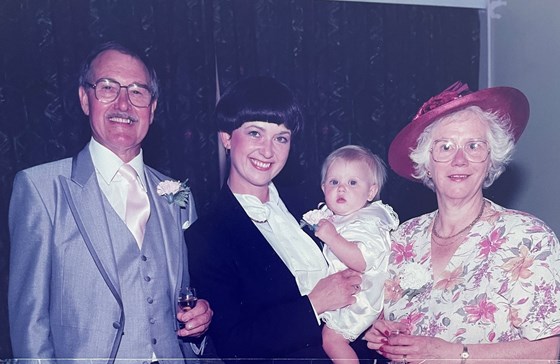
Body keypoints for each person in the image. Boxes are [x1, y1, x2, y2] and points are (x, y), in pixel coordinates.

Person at [8, 41, 212, 363]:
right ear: (84, 99)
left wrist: (198, 323)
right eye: (107, 88)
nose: (123, 104)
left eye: (137, 92)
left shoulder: (177, 196)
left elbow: (183, 300)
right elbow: (29, 324)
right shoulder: (41, 189)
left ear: (153, 107)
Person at [364, 81, 560, 362]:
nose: (459, 160)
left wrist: (453, 353)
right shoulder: (400, 239)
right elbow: (385, 319)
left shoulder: (529, 238)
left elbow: (547, 351)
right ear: (426, 163)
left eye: (473, 146)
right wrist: (381, 332)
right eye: (444, 147)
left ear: (490, 158)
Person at [185, 76, 370, 363]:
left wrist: (375, 319)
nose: (268, 151)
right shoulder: (206, 235)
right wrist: (315, 304)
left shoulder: (316, 202)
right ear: (226, 138)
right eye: (255, 133)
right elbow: (234, 343)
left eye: (281, 138)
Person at [301, 145, 398, 363]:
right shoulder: (342, 217)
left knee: (331, 340)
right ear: (323, 187)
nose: (342, 189)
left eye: (352, 182)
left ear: (371, 192)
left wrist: (333, 238)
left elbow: (362, 261)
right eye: (334, 182)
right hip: (346, 293)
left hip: (361, 297)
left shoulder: (369, 222)